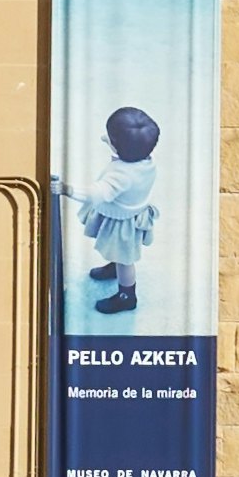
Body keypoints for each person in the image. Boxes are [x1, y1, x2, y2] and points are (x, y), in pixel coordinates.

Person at [80, 106, 161, 320]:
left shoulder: (123, 175)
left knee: (126, 260)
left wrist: (67, 189)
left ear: (119, 148)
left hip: (123, 223)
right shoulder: (144, 160)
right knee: (119, 255)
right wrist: (112, 142)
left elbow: (99, 193)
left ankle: (127, 296)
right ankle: (115, 266)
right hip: (129, 214)